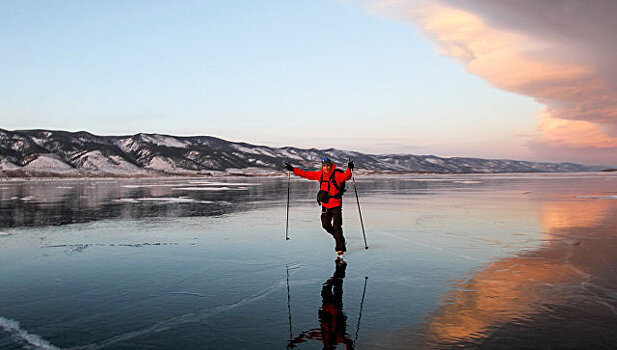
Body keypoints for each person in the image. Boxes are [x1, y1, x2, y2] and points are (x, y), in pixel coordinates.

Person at [285, 157, 354, 261]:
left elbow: (347, 176)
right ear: (323, 167)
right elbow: (306, 174)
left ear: (330, 166)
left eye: (328, 166)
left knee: (337, 226)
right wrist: (293, 169)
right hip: (325, 205)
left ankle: (340, 248)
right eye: (324, 166)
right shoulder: (320, 175)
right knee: (325, 225)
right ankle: (340, 240)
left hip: (336, 204)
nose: (326, 168)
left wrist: (349, 168)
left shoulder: (337, 175)